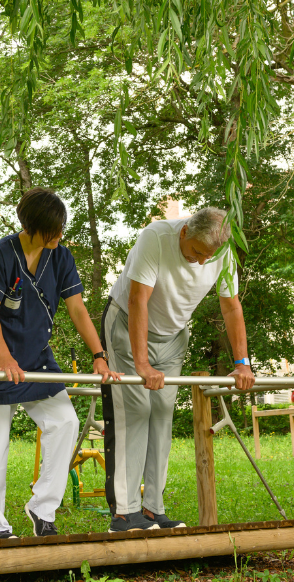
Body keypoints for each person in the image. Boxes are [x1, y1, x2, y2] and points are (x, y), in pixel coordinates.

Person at [0, 188, 120, 539]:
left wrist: (99, 355)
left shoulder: (60, 257)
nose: (59, 236)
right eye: (53, 229)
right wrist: (4, 357)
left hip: (36, 361)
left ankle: (42, 509)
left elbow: (77, 308)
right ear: (31, 226)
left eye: (62, 228)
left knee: (65, 422)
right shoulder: (1, 255)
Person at [100, 207, 255, 532]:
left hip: (173, 334)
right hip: (127, 326)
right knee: (136, 407)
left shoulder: (222, 253)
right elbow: (137, 301)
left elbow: (231, 306)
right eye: (197, 253)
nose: (201, 262)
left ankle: (153, 509)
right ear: (184, 232)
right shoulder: (155, 238)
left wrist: (242, 363)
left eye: (207, 257)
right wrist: (141, 363)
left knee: (162, 413)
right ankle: (124, 514)